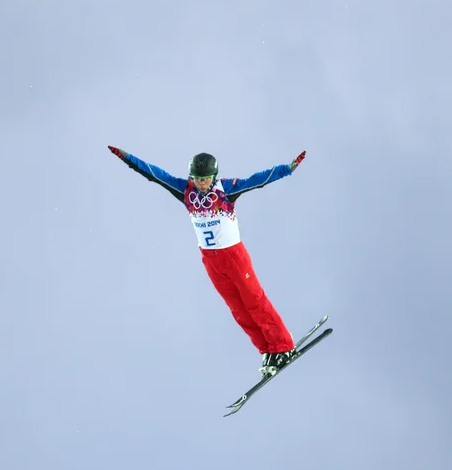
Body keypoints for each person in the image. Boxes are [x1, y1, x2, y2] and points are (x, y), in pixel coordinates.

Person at [108, 145, 306, 375]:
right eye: (198, 179)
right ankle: (268, 350)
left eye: (207, 179)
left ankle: (283, 345)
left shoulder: (227, 189)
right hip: (211, 261)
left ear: (215, 176)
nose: (202, 184)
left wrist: (287, 169)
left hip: (233, 256)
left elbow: (258, 180)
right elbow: (155, 174)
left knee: (254, 301)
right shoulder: (185, 191)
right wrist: (126, 158)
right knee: (238, 309)